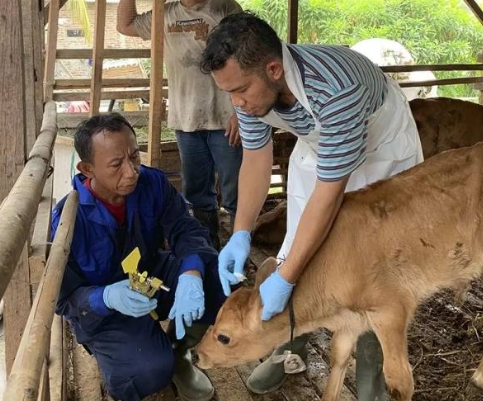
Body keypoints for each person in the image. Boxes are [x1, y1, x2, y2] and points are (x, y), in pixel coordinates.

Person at [200, 12, 424, 400]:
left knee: (372, 268)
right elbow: (255, 157)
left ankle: (372, 371)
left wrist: (285, 280)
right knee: (294, 248)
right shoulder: (253, 91)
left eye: (240, 91)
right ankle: (290, 344)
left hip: (381, 150)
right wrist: (240, 233)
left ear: (273, 69)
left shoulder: (336, 90)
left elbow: (330, 195)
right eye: (228, 93)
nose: (236, 103)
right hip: (321, 143)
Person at [52, 114, 225, 401]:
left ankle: (181, 351)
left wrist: (191, 274)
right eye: (116, 165)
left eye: (134, 156)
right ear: (87, 169)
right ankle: (140, 354)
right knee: (147, 370)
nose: (132, 171)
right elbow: (63, 299)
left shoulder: (152, 182)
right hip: (107, 308)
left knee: (219, 278)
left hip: (149, 275)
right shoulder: (68, 221)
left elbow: (185, 228)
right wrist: (106, 297)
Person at [117, 0, 243, 250]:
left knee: (236, 192)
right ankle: (210, 250)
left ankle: (241, 248)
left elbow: (246, 58)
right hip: (186, 122)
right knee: (197, 195)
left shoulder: (225, 8)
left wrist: (241, 112)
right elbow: (126, 25)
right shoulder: (165, 13)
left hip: (226, 119)